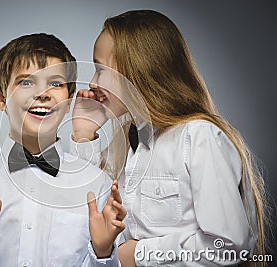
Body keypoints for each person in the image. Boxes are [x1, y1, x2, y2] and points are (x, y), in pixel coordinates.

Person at [70, 10, 266, 266]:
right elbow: (83, 221)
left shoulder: (198, 137)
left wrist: (138, 254)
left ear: (138, 69)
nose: (93, 82)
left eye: (100, 69)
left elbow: (229, 246)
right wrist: (84, 134)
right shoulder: (127, 144)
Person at [0, 33, 127, 267]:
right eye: (26, 82)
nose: (42, 93)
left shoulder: (97, 186)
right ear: (2, 98)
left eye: (55, 83)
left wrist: (103, 254)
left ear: (70, 98)